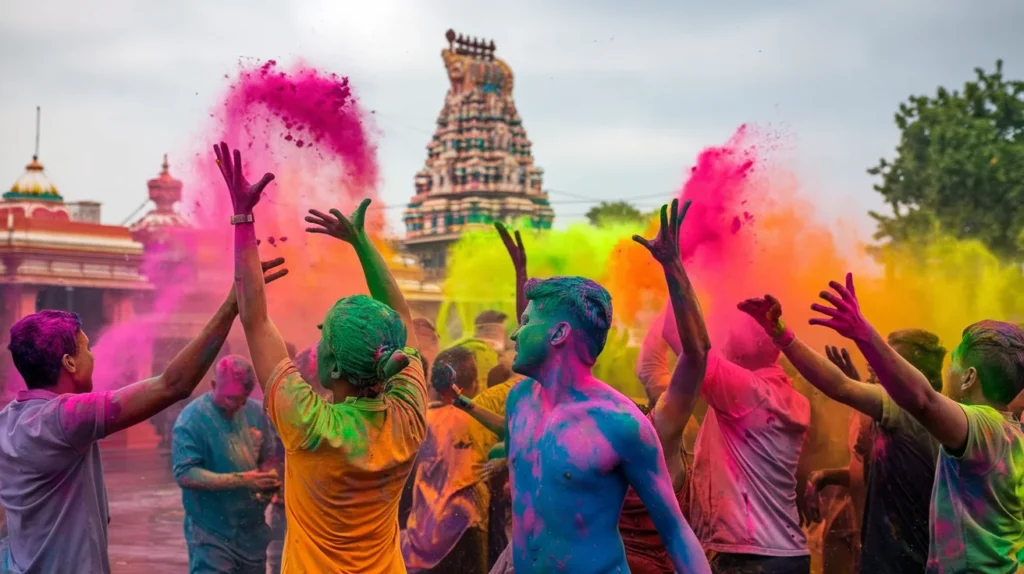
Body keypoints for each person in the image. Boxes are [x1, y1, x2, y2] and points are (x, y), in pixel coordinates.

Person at [0, 257, 287, 574]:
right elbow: (172, 385)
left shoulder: (7, 421)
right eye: (87, 349)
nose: (94, 356)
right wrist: (230, 308)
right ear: (69, 363)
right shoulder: (64, 418)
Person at [216, 142, 425, 573]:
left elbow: (254, 321)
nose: (316, 336)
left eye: (323, 336)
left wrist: (242, 217)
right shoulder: (407, 417)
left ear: (330, 368)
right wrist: (362, 243)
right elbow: (402, 317)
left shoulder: (309, 425)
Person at [808, 273, 1024, 572]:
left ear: (969, 377)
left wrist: (863, 332)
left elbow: (923, 399)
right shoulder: (1013, 433)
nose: (947, 372)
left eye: (954, 364)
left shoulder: (981, 426)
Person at [674, 262, 811, 572]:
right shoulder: (788, 395)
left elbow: (694, 348)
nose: (724, 337)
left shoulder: (748, 391)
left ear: (757, 342)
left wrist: (676, 272)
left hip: (752, 559)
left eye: (732, 330)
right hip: (786, 554)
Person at [778, 326, 943, 574]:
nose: (877, 372)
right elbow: (874, 471)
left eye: (888, 366)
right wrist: (828, 476)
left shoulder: (907, 414)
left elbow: (838, 386)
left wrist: (782, 336)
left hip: (900, 563)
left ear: (914, 377)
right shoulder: (912, 414)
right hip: (885, 555)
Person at [172, 355, 281, 574]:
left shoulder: (256, 412)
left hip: (251, 531)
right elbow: (185, 474)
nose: (236, 406)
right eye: (230, 398)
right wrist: (241, 480)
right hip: (210, 529)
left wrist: (268, 482)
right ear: (213, 385)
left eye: (242, 399)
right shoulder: (192, 419)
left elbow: (268, 458)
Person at [402, 346, 495, 573]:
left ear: (433, 384)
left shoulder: (417, 422)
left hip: (423, 540)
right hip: (468, 533)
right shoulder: (484, 424)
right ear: (473, 385)